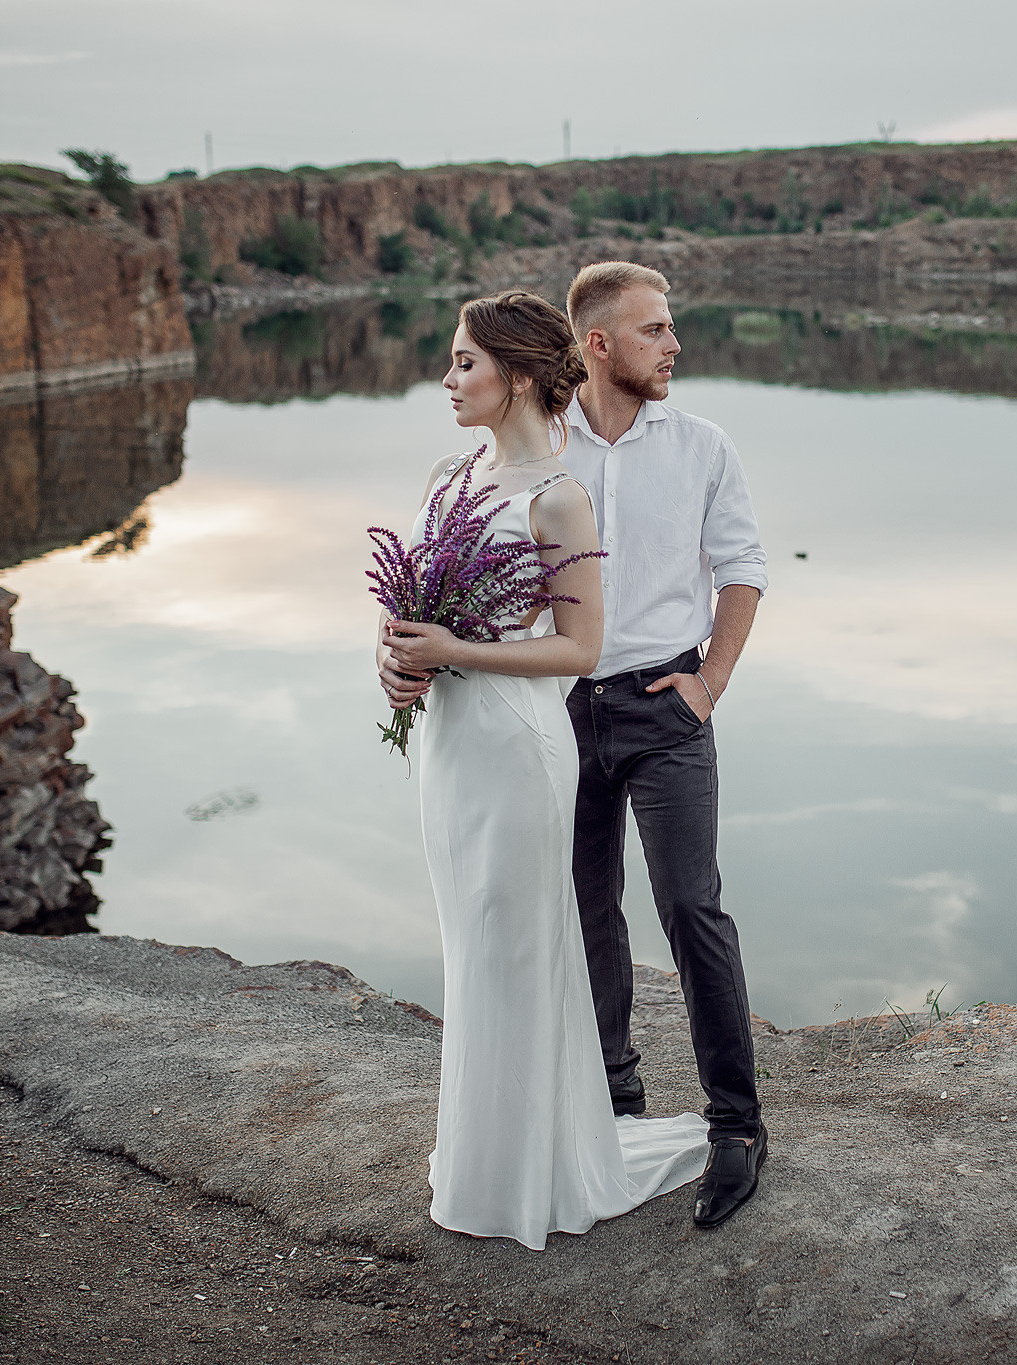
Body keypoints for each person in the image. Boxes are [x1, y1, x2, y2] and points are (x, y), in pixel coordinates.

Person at [378, 290, 708, 1250]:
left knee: (515, 938)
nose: (447, 381)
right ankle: (486, 1155)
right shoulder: (448, 477)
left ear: (517, 374)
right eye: (449, 363)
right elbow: (405, 601)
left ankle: (532, 1170)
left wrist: (456, 650)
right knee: (470, 939)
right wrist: (396, 660)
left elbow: (579, 647)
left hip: (520, 747)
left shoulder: (560, 496)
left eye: (463, 365)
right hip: (451, 746)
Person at [559, 262, 770, 1230]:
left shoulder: (702, 446)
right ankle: (615, 1103)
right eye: (654, 331)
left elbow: (741, 570)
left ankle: (736, 1126)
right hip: (560, 710)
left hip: (664, 708)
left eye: (671, 327)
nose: (674, 345)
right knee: (584, 913)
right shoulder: (540, 446)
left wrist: (707, 685)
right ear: (597, 345)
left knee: (691, 910)